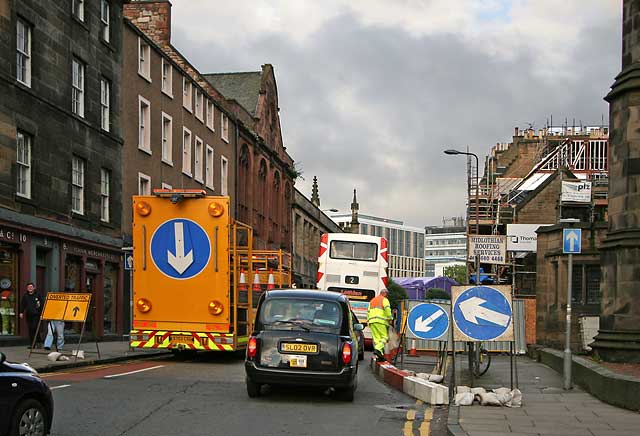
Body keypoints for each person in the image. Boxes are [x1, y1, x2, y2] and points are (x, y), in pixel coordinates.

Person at [367, 289, 393, 362]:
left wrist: (369, 320)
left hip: (372, 321)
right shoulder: (384, 300)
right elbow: (387, 309)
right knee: (385, 337)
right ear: (385, 294)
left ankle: (380, 356)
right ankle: (378, 349)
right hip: (380, 321)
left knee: (377, 339)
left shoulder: (372, 300)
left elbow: (368, 311)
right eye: (387, 295)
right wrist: (390, 318)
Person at [19, 282, 43, 348]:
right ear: (27, 288)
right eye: (28, 287)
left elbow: (42, 304)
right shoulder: (25, 295)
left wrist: (40, 308)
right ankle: (34, 343)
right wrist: (21, 312)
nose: (30, 288)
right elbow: (22, 304)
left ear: (34, 288)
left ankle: (37, 342)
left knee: (34, 328)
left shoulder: (38, 294)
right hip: (28, 315)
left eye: (31, 287)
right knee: (30, 329)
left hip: (36, 315)